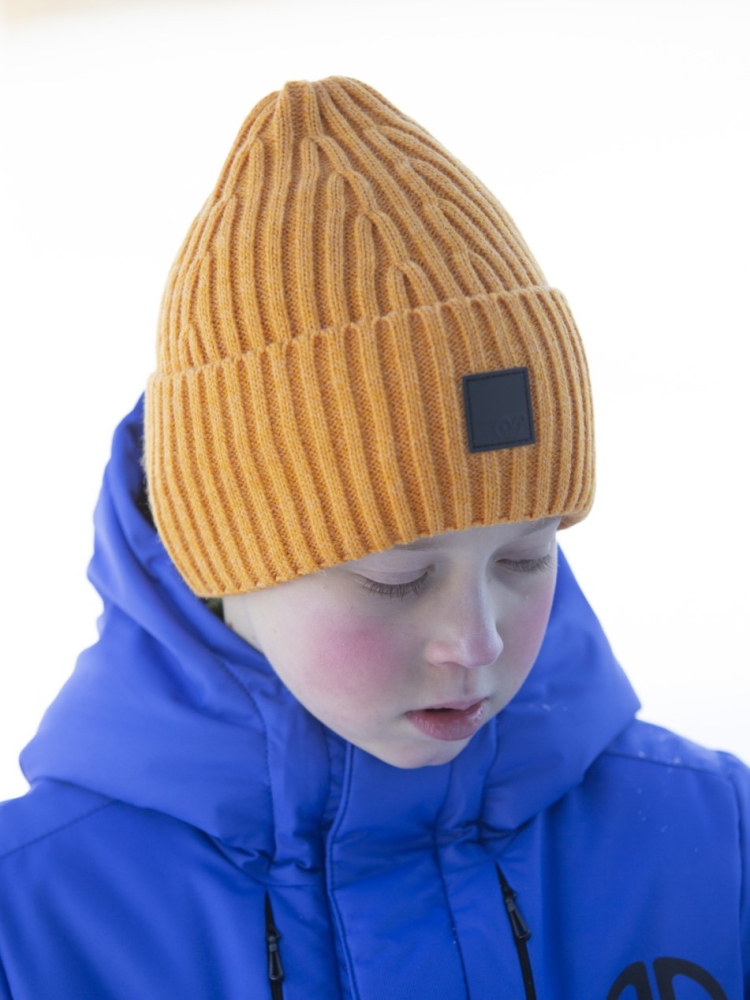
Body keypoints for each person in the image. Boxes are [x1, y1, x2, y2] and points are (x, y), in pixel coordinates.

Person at [0, 77, 747, 1000]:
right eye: (396, 576)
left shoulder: (721, 848)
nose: (476, 641)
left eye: (524, 557)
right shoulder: (30, 932)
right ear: (216, 553)